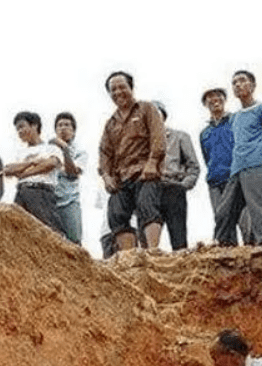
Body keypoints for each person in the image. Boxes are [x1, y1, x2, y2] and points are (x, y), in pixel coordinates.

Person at [98, 71, 166, 251]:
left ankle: (153, 252)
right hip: (121, 176)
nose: (118, 92)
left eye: (122, 87)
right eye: (113, 89)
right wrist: (106, 176)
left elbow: (158, 136)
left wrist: (152, 162)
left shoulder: (146, 108)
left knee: (147, 207)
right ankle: (129, 258)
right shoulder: (110, 123)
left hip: (145, 171)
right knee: (116, 214)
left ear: (131, 88)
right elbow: (105, 152)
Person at [213, 71, 262, 247]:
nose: (238, 85)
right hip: (236, 168)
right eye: (234, 83)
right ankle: (222, 248)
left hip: (257, 163)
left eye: (242, 81)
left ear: (253, 85)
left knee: (259, 209)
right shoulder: (234, 118)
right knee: (224, 211)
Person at [199, 88, 250, 245]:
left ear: (224, 99)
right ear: (205, 104)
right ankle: (228, 258)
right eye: (210, 98)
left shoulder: (236, 120)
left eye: (218, 96)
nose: (215, 100)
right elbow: (207, 157)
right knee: (222, 221)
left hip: (236, 177)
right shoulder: (204, 133)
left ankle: (255, 254)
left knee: (245, 220)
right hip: (215, 181)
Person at [2, 111, 64, 234]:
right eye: (17, 129)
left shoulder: (51, 148)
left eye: (22, 126)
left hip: (41, 192)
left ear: (34, 125)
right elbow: (7, 170)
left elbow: (50, 164)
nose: (19, 132)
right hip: (21, 193)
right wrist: (32, 162)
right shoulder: (20, 153)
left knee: (48, 231)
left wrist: (24, 173)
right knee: (17, 233)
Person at [152, 100, 200, 250]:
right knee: (149, 243)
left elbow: (193, 167)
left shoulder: (179, 136)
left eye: (156, 113)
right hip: (150, 190)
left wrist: (182, 186)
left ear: (163, 116)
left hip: (173, 187)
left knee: (178, 237)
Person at [50, 112, 87, 244]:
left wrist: (65, 150)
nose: (63, 128)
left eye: (67, 125)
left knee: (74, 240)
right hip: (50, 201)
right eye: (59, 125)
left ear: (74, 131)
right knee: (52, 241)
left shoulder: (80, 152)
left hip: (69, 201)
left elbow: (72, 173)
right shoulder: (48, 150)